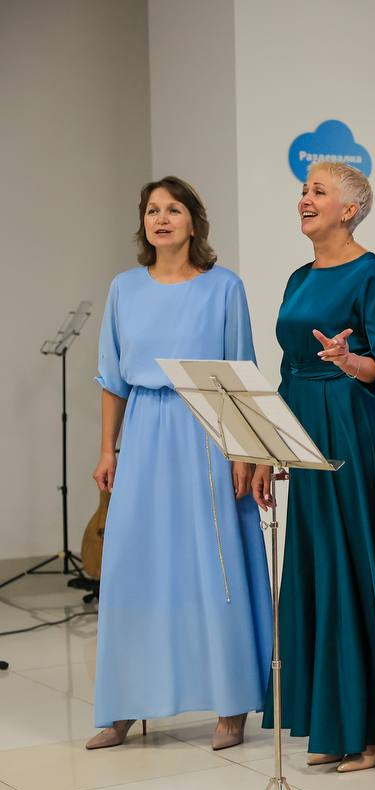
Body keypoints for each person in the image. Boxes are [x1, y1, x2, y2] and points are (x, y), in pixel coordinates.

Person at [252, 162, 375, 773]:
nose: (305, 198)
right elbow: (286, 369)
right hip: (302, 421)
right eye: (303, 190)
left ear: (350, 209)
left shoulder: (371, 271)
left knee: (356, 565)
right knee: (317, 565)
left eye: (318, 191)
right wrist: (269, 447)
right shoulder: (298, 278)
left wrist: (352, 363)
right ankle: (331, 720)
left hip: (352, 426)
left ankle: (371, 731)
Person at [90, 176, 271, 751]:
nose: (161, 219)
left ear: (194, 221)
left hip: (206, 431)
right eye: (152, 210)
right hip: (145, 432)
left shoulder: (224, 287)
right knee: (133, 566)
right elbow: (112, 377)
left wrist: (243, 450)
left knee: (213, 565)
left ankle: (231, 702)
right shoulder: (123, 288)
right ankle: (123, 704)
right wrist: (107, 449)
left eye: (173, 209)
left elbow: (241, 371)